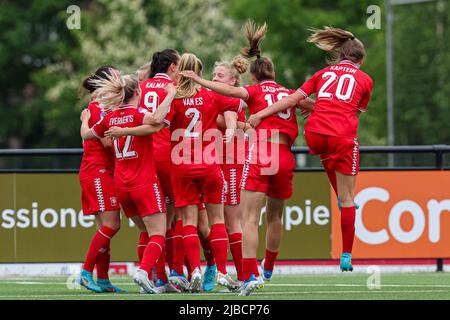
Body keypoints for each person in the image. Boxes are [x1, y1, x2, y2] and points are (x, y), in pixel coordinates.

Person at [181, 20, 314, 296]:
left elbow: (229, 99)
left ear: (249, 78)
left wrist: (199, 80)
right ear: (273, 73)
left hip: (257, 153)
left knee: (247, 219)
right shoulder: (289, 93)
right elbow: (314, 105)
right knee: (274, 217)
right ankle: (267, 269)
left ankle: (249, 274)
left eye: (220, 75)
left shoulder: (250, 92)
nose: (217, 79)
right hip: (284, 157)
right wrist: (312, 110)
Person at [248, 27, 373, 273]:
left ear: (339, 55)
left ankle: (339, 196)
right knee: (349, 199)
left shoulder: (322, 73)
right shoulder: (366, 80)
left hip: (315, 133)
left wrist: (260, 114)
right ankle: (346, 254)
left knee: (328, 153)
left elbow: (293, 98)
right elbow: (352, 114)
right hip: (341, 135)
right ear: (361, 59)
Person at [80, 72, 177, 294]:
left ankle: (149, 281)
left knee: (145, 231)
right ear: (138, 92)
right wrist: (170, 94)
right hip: (143, 181)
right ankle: (144, 271)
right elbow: (156, 122)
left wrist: (85, 120)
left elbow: (86, 135)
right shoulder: (137, 113)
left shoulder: (110, 117)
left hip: (122, 185)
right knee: (159, 234)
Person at [165, 53, 241, 293]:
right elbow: (238, 104)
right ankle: (221, 272)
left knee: (187, 221)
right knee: (217, 220)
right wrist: (234, 127)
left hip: (181, 164)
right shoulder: (211, 94)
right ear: (198, 71)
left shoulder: (173, 98)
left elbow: (159, 124)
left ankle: (195, 270)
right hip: (208, 164)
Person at [77, 66, 125, 293]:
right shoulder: (99, 107)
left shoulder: (105, 107)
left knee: (106, 226)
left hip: (103, 170)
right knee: (112, 224)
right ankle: (86, 273)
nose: (121, 78)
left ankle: (103, 279)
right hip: (98, 170)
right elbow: (107, 142)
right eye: (117, 75)